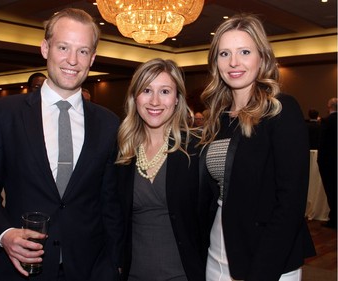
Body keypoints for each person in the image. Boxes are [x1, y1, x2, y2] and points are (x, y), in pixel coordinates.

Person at [0, 8, 123, 281]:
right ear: (45, 48)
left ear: (92, 58)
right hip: (22, 268)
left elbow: (110, 203)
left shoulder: (109, 123)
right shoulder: (5, 114)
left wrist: (115, 266)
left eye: (83, 51)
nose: (72, 60)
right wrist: (4, 234)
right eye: (63, 47)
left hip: (89, 269)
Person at [198, 14, 316, 281]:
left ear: (262, 58)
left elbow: (290, 203)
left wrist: (263, 271)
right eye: (224, 53)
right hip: (217, 251)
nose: (234, 62)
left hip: (266, 257)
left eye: (244, 52)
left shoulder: (281, 110)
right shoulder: (218, 118)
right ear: (216, 63)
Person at [116, 58, 206, 281]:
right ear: (134, 97)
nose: (155, 101)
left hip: (185, 274)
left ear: (177, 99)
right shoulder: (121, 150)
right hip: (132, 274)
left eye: (165, 91)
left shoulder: (197, 148)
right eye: (146, 90)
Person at [317, 97, 337, 229]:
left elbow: (321, 143)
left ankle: (334, 219)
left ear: (329, 106)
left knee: (331, 190)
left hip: (329, 162)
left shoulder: (326, 121)